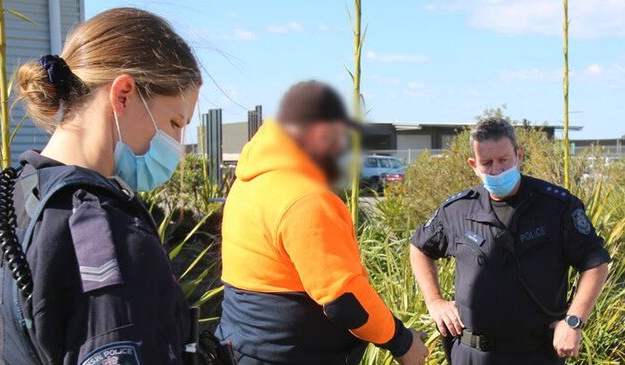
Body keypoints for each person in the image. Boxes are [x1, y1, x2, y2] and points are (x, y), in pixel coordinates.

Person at [0, 8, 201, 365]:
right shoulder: (104, 230)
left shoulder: (6, 197)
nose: (177, 143)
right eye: (175, 122)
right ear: (123, 94)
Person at [215, 80, 429, 365]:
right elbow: (345, 301)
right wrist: (402, 342)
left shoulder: (249, 182)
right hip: (292, 355)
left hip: (241, 347)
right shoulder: (305, 199)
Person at [409, 118, 611, 365]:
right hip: (472, 354)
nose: (496, 170)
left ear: (519, 155)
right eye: (487, 163)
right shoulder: (458, 210)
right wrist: (435, 302)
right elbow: (419, 248)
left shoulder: (556, 207)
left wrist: (574, 321)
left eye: (504, 160)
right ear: (474, 165)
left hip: (535, 354)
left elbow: (596, 263)